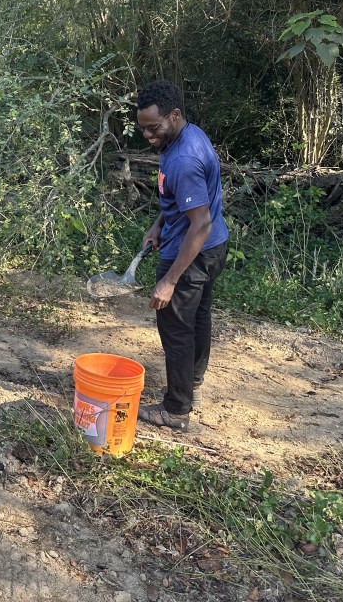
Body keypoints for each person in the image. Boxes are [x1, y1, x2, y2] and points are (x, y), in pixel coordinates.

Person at [134, 80, 228, 432]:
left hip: (193, 253)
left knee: (175, 328)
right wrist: (160, 222)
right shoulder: (186, 136)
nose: (147, 135)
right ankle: (192, 387)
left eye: (153, 127)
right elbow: (185, 201)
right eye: (142, 127)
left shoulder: (184, 159)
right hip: (213, 247)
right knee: (198, 319)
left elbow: (199, 223)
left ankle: (175, 410)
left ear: (174, 115)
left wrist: (170, 280)